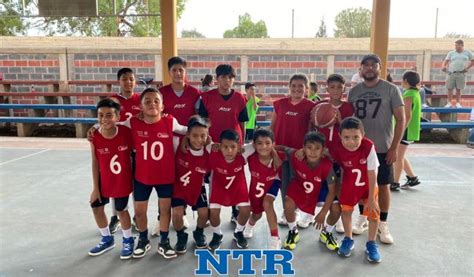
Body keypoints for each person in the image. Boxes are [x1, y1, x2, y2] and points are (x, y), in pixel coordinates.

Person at [348, 54, 405, 244]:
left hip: (382, 147)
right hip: (359, 148)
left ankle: (383, 223)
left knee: (383, 185)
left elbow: (401, 119)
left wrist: (394, 147)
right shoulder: (354, 91)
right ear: (361, 69)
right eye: (366, 65)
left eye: (374, 65)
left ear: (381, 68)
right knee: (360, 186)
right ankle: (363, 217)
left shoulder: (391, 89)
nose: (370, 68)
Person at [126, 88, 187, 259]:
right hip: (142, 176)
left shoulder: (170, 121)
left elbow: (186, 129)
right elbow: (114, 125)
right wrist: (95, 128)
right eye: (147, 101)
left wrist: (207, 135)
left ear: (162, 106)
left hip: (165, 176)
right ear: (140, 106)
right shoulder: (133, 123)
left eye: (156, 101)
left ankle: (164, 241)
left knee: (165, 210)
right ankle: (143, 239)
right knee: (139, 211)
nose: (152, 103)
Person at [199, 64, 248, 223]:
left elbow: (242, 124)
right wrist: (207, 142)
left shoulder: (240, 98)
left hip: (233, 146)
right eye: (223, 77)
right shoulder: (207, 97)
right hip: (213, 145)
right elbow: (203, 123)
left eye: (230, 78)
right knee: (210, 177)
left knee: (234, 177)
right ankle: (209, 209)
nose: (226, 81)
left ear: (233, 80)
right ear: (217, 79)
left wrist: (241, 144)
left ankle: (235, 211)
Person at [157, 56, 201, 235]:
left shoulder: (194, 93)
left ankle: (181, 211)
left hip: (188, 142)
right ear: (169, 72)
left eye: (181, 70)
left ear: (185, 72)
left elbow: (198, 118)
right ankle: (161, 216)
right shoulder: (161, 93)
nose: (177, 73)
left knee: (184, 175)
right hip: (166, 142)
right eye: (174, 70)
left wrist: (191, 138)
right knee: (166, 178)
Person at [88, 98, 134, 259]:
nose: (104, 119)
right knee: (96, 206)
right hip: (104, 177)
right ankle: (107, 238)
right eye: (101, 115)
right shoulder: (94, 135)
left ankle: (128, 239)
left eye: (109, 115)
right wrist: (95, 187)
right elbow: (94, 161)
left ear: (117, 117)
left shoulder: (126, 133)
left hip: (122, 178)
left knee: (122, 210)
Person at [331, 117, 382, 263]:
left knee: (373, 213)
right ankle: (348, 239)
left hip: (368, 185)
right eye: (346, 137)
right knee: (346, 211)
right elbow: (331, 161)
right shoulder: (338, 148)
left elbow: (372, 172)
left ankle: (371, 243)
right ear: (340, 136)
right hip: (349, 184)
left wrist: (371, 199)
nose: (351, 142)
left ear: (363, 135)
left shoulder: (368, 146)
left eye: (356, 137)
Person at [280, 131, 338, 251]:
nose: (312, 151)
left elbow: (332, 191)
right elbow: (283, 148)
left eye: (317, 148)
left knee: (337, 209)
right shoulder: (296, 154)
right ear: (304, 149)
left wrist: (322, 212)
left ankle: (327, 233)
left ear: (323, 150)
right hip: (301, 186)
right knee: (288, 202)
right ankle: (293, 231)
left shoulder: (327, 165)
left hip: (320, 188)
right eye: (309, 148)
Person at [270, 73, 315, 225]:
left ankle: (302, 210)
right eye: (294, 85)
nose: (297, 89)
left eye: (301, 86)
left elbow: (311, 130)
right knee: (284, 182)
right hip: (280, 149)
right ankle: (287, 210)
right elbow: (272, 125)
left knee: (298, 181)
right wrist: (270, 145)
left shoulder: (311, 106)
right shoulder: (280, 104)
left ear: (306, 89)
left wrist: (307, 150)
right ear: (289, 87)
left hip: (299, 152)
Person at [311, 73, 354, 233]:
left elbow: (351, 130)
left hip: (338, 153)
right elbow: (313, 127)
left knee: (339, 184)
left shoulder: (348, 107)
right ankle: (309, 212)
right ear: (327, 88)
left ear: (344, 88)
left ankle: (339, 215)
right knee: (319, 181)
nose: (336, 90)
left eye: (339, 87)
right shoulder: (320, 106)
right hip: (322, 152)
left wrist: (340, 121)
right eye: (332, 87)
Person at [108, 67, 141, 233]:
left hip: (136, 149)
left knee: (137, 184)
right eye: (124, 79)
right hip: (118, 150)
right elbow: (104, 122)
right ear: (119, 81)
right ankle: (115, 216)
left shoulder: (141, 100)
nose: (128, 82)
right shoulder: (113, 101)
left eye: (131, 79)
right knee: (118, 183)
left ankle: (136, 216)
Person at [207, 129, 251, 251]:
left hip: (237, 186)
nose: (229, 150)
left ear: (239, 146)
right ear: (219, 146)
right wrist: (210, 142)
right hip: (218, 186)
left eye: (233, 147)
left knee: (246, 210)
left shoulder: (244, 152)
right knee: (214, 213)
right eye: (225, 147)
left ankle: (238, 232)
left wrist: (274, 153)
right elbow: (200, 140)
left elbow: (259, 143)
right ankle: (217, 234)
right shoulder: (213, 150)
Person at [171, 115, 211, 253]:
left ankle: (198, 233)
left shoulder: (210, 150)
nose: (199, 140)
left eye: (203, 136)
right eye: (194, 135)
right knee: (176, 214)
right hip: (179, 187)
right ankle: (181, 236)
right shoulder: (177, 143)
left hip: (197, 187)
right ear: (187, 134)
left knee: (204, 213)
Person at [243, 129, 284, 249]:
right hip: (256, 186)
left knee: (268, 203)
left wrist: (275, 153)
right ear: (254, 144)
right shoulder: (250, 156)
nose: (264, 146)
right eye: (259, 143)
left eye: (267, 143)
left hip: (273, 183)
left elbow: (292, 152)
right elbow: (237, 150)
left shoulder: (279, 157)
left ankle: (275, 237)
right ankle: (250, 224)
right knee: (256, 214)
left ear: (273, 144)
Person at [392, 71, 422, 190]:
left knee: (398, 157)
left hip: (406, 130)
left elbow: (407, 115)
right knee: (401, 155)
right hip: (411, 129)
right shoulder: (416, 93)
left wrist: (401, 129)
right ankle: (412, 177)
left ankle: (395, 182)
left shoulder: (408, 94)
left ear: (405, 81)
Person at [442, 39, 474, 108]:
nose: (455, 47)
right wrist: (443, 66)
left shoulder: (468, 52)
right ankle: (449, 103)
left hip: (461, 73)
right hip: (451, 72)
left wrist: (467, 68)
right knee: (449, 88)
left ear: (462, 45)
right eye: (455, 45)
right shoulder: (451, 53)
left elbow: (473, 61)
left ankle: (458, 103)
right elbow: (446, 61)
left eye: (457, 45)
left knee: (459, 89)